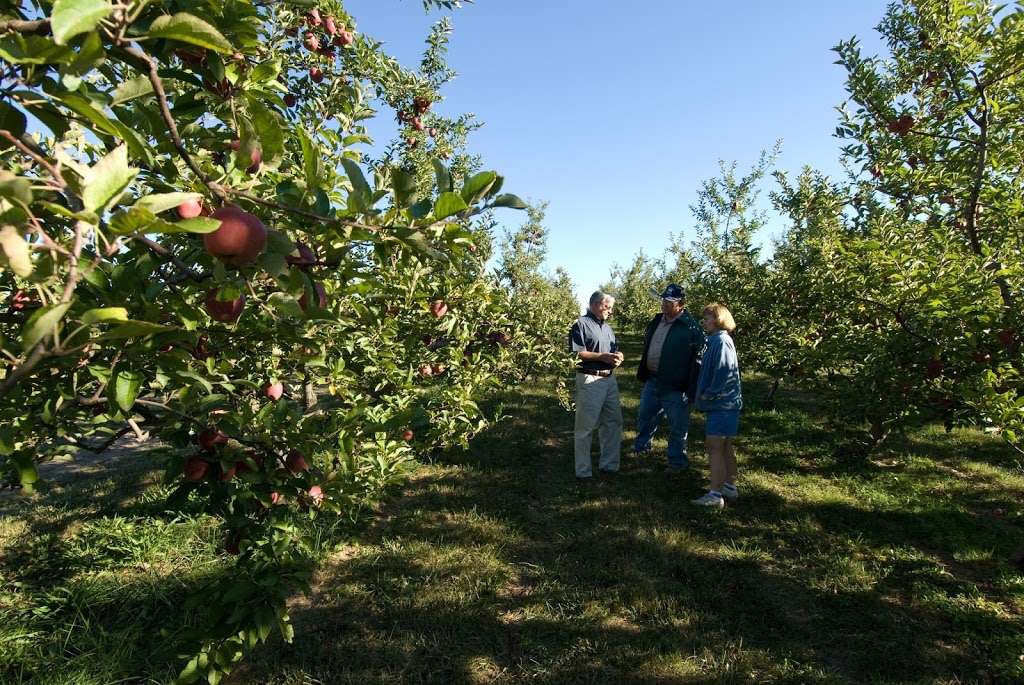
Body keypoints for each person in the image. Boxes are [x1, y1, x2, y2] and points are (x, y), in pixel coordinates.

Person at [634, 284, 705, 471]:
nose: (664, 304)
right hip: (653, 379)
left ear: (680, 304)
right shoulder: (657, 320)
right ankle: (642, 448)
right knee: (645, 416)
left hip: (675, 385)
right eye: (663, 300)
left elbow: (697, 360)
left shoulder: (690, 327)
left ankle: (676, 461)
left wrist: (691, 389)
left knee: (678, 425)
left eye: (669, 302)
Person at [691, 303, 743, 508]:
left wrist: (706, 395)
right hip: (726, 404)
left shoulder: (721, 342)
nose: (704, 321)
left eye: (708, 317)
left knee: (714, 447)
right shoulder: (716, 341)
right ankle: (729, 486)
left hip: (722, 404)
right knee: (724, 445)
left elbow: (723, 375)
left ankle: (715, 494)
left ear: (719, 319)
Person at [568, 291, 624, 479]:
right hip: (590, 378)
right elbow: (577, 354)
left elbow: (614, 349)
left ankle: (609, 466)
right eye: (607, 307)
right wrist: (602, 356)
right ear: (595, 304)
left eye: (611, 307)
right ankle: (583, 472)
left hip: (609, 379)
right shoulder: (580, 324)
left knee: (612, 422)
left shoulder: (607, 328)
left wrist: (618, 357)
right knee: (585, 427)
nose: (610, 311)